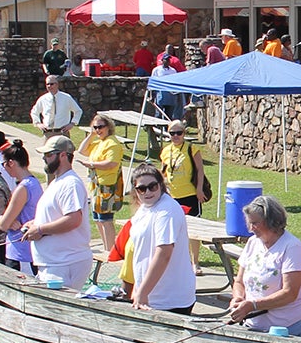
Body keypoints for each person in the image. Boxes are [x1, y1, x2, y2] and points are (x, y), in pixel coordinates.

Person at [226, 193, 301, 335]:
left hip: (287, 325)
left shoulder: (292, 247)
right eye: (249, 223)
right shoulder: (253, 242)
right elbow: (239, 281)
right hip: (253, 324)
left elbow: (290, 293)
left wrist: (253, 305)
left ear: (271, 222)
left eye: (255, 223)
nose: (251, 228)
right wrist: (238, 298)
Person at [19, 134, 94, 288]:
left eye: (49, 155)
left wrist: (40, 229)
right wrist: (35, 223)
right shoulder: (58, 182)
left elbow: (73, 219)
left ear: (63, 155)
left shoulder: (70, 183)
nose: (44, 158)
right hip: (55, 263)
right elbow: (56, 214)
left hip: (65, 263)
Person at [126, 162, 199, 313]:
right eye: (141, 189)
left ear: (160, 185)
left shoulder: (167, 210)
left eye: (152, 186)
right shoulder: (143, 209)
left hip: (170, 300)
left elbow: (164, 253)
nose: (147, 192)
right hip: (150, 297)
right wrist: (137, 287)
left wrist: (143, 292)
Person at [74, 113, 125, 250]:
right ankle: (106, 247)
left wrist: (92, 165)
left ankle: (111, 250)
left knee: (106, 219)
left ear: (108, 127)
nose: (98, 130)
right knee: (97, 219)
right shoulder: (99, 142)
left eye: (100, 127)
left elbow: (112, 163)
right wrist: (91, 135)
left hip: (107, 186)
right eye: (95, 127)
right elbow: (82, 150)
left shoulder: (112, 143)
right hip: (96, 186)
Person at [0, 142, 44, 276]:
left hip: (20, 253)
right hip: (29, 250)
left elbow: (3, 224)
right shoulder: (35, 183)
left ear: (11, 163)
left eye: (4, 164)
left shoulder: (23, 188)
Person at [158, 120, 208, 216]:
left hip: (190, 194)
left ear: (184, 133)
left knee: (192, 222)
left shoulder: (192, 148)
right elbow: (163, 172)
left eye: (179, 133)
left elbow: (200, 170)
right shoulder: (165, 151)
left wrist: (199, 189)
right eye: (172, 133)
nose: (175, 136)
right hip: (172, 195)